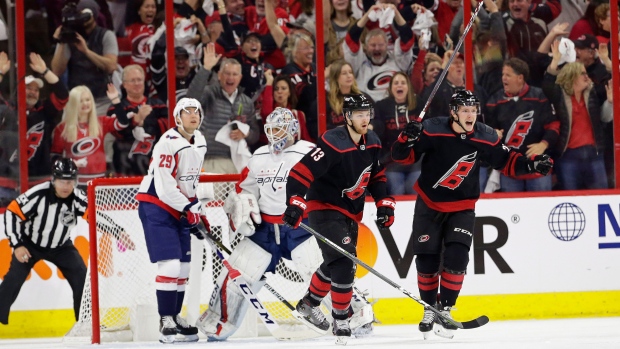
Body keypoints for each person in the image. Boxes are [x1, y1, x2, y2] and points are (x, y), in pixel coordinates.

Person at [391, 90, 553, 340]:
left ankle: (445, 309)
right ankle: (429, 308)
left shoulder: (485, 135)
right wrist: (405, 138)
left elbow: (506, 160)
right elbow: (401, 157)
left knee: (457, 257)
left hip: (462, 206)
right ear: (453, 112)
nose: (470, 115)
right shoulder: (432, 129)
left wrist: (531, 165)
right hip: (429, 204)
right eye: (465, 110)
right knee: (426, 258)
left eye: (473, 110)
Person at [283, 94, 395, 344]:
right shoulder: (334, 142)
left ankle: (309, 304)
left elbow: (376, 176)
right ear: (347, 117)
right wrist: (295, 202)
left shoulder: (373, 141)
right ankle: (341, 319)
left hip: (350, 211)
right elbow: (300, 173)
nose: (364, 119)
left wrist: (384, 203)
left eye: (367, 114)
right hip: (323, 207)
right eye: (358, 114)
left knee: (335, 262)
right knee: (344, 262)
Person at [0, 158, 132, 325]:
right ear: (54, 180)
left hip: (61, 246)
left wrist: (118, 231)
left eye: (70, 181)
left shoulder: (76, 197)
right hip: (30, 245)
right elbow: (13, 211)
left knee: (82, 280)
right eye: (62, 181)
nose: (66, 186)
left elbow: (94, 214)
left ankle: (86, 322)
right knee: (13, 280)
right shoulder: (38, 194)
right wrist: (17, 245)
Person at [135, 97, 208, 343]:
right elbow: (165, 188)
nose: (192, 115)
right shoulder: (167, 143)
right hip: (156, 206)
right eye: (187, 112)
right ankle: (165, 318)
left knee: (184, 268)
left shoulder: (200, 142)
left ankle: (175, 317)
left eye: (196, 111)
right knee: (170, 265)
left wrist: (197, 210)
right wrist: (190, 208)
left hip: (178, 208)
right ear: (177, 118)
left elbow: (189, 182)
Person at [542, 43, 612, 190]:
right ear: (572, 77)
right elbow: (547, 84)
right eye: (583, 74)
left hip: (594, 154)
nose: (587, 77)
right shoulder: (559, 96)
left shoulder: (592, 93)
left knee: (600, 196)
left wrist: (606, 60)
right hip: (569, 156)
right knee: (571, 197)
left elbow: (612, 80)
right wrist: (555, 61)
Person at [485, 58, 559, 192]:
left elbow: (554, 125)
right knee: (512, 213)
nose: (503, 78)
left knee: (540, 210)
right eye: (503, 74)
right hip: (510, 170)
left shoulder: (539, 97)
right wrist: (493, 134)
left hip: (538, 168)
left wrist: (544, 144)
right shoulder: (494, 101)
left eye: (508, 75)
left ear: (520, 78)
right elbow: (488, 129)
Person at [186, 44, 259, 174]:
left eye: (234, 74)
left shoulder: (246, 102)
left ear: (240, 78)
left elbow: (255, 135)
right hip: (211, 160)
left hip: (238, 162)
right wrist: (206, 68)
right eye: (227, 73)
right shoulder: (209, 93)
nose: (230, 78)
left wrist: (245, 134)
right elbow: (190, 100)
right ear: (219, 75)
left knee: (239, 195)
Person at [50, 84, 128, 188]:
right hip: (73, 183)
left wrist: (115, 100)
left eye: (87, 99)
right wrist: (71, 163)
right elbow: (54, 157)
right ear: (73, 104)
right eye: (80, 101)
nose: (85, 103)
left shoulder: (101, 122)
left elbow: (123, 123)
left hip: (98, 182)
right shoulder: (62, 128)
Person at [51, 0, 119, 115]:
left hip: (102, 99)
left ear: (95, 15)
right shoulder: (70, 35)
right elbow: (57, 71)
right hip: (76, 99)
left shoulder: (106, 35)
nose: (83, 18)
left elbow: (111, 66)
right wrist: (62, 41)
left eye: (86, 14)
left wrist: (86, 51)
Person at [111, 64, 168, 176]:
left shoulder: (158, 105)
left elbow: (168, 126)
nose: (137, 83)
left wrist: (144, 123)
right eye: (132, 80)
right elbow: (117, 131)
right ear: (124, 85)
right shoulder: (117, 107)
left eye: (139, 80)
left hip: (156, 168)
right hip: (125, 167)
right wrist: (135, 121)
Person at [372, 72, 421, 195]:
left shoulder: (418, 103)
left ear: (408, 87)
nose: (399, 86)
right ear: (391, 88)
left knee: (413, 189)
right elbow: (378, 127)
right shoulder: (382, 106)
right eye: (396, 83)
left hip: (416, 159)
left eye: (403, 83)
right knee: (397, 191)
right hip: (392, 160)